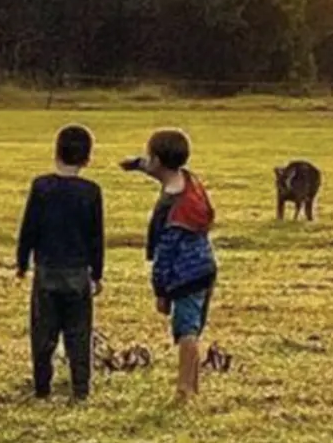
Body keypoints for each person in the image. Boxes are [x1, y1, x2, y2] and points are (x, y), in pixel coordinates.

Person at [121, 127, 218, 404]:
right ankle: (193, 386)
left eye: (149, 157)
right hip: (205, 268)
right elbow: (159, 170)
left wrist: (160, 292)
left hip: (184, 276)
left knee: (185, 331)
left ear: (159, 162)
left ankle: (184, 390)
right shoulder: (189, 181)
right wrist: (137, 165)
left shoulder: (172, 212)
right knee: (194, 327)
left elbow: (165, 255)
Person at [15, 123, 105, 401]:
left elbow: (29, 227)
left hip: (47, 271)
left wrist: (22, 262)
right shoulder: (91, 191)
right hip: (78, 272)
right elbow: (95, 235)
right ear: (87, 158)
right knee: (79, 333)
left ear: (56, 152)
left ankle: (42, 388)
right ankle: (80, 389)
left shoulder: (41, 186)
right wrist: (97, 272)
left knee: (43, 333)